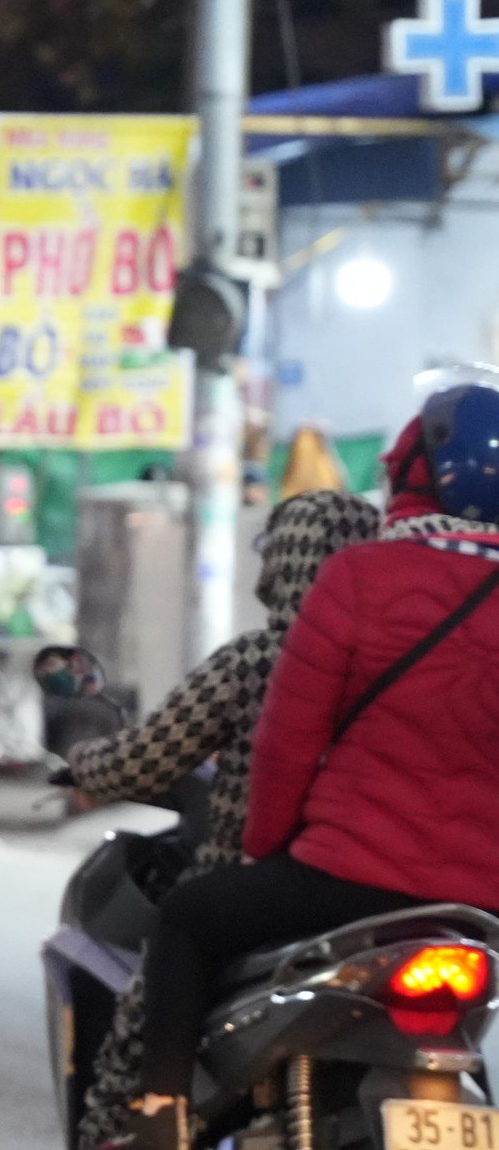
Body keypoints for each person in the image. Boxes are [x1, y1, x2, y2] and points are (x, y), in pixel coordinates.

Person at [116, 388, 499, 1150]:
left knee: (189, 919)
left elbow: (287, 744)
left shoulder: (361, 577)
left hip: (348, 876)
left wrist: (268, 848)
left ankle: (160, 1111)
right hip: (482, 902)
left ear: (415, 474)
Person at [66, 489, 379, 1150]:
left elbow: (146, 756)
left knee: (166, 956)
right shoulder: (394, 658)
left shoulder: (259, 660)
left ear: (283, 566)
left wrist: (85, 763)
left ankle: (152, 1115)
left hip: (273, 879)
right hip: (397, 887)